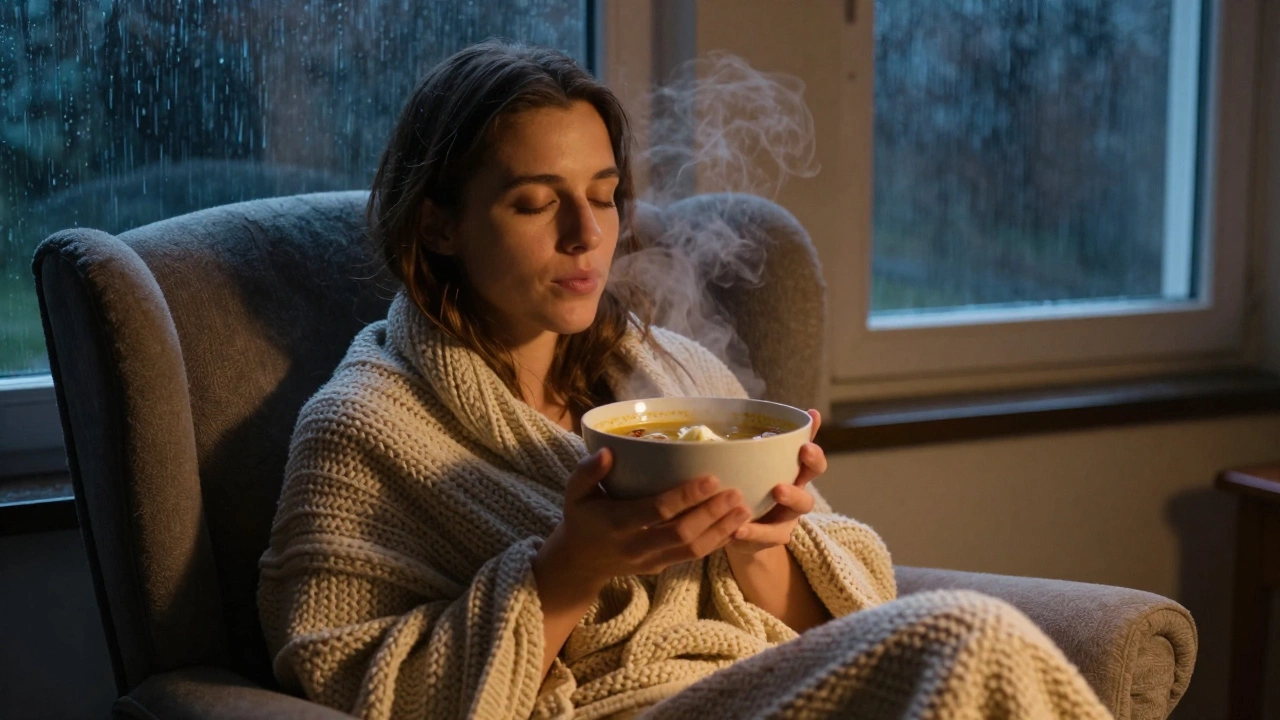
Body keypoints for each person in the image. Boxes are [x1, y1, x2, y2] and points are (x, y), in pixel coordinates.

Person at [257, 41, 1112, 720]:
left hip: (763, 685)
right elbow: (348, 683)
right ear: (439, 223)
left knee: (968, 653)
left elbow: (830, 621)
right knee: (971, 635)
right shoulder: (365, 426)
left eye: (604, 192)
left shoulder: (671, 374)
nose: (588, 233)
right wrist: (565, 570)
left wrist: (758, 540)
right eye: (534, 202)